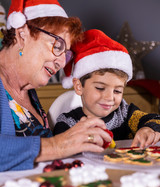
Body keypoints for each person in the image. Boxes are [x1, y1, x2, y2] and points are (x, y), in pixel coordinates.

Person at [0, 1, 112, 172]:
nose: (61, 62)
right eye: (57, 45)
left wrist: (76, 138)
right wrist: (58, 145)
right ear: (22, 34)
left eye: (66, 54)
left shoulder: (28, 89)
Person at [53, 29, 160, 149]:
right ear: (79, 86)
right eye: (100, 88)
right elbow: (60, 146)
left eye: (117, 91)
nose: (109, 97)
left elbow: (155, 120)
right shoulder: (68, 122)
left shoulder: (125, 114)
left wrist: (148, 129)